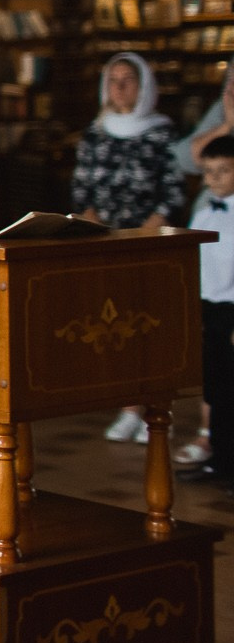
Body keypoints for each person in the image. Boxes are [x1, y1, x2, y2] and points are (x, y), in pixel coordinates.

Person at [72, 52, 185, 444]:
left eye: (128, 80)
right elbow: (83, 190)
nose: (120, 88)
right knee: (113, 325)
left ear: (143, 86)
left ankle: (153, 409)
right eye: (114, 80)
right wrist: (97, 228)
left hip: (147, 241)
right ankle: (126, 405)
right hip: (106, 242)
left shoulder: (161, 132)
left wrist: (143, 233)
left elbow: (171, 193)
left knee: (150, 324)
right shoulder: (96, 131)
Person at [178, 135, 234, 484]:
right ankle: (219, 462)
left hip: (233, 313)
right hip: (209, 310)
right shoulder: (203, 212)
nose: (214, 179)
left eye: (224, 171)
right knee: (216, 390)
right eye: (209, 172)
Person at [172, 62, 234, 176]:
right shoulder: (225, 106)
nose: (231, 85)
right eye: (230, 76)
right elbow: (183, 158)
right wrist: (227, 126)